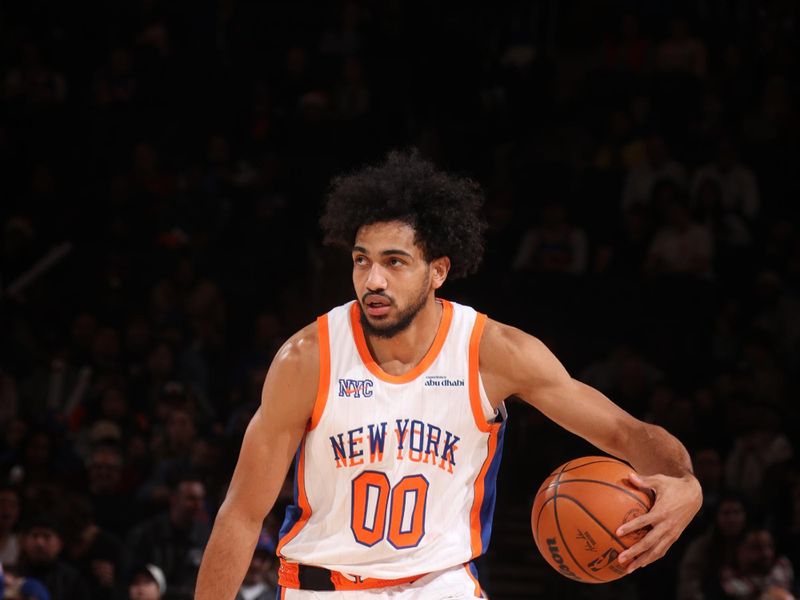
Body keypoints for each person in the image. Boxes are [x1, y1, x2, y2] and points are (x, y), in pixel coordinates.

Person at [195, 150, 702, 599]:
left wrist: (685, 482)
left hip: (442, 585)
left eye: (395, 262)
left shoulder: (494, 352)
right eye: (361, 261)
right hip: (324, 584)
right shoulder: (308, 357)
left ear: (437, 271)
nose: (373, 280)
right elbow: (241, 514)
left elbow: (625, 433)